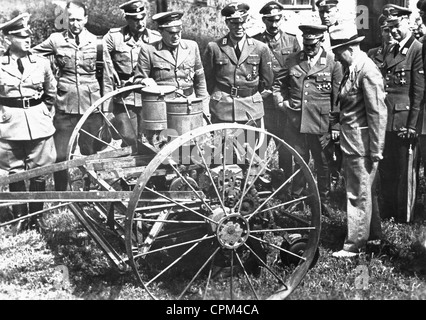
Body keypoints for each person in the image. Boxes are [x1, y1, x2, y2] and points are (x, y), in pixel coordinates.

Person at [31, 1, 104, 191]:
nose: (75, 24)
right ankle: (62, 193)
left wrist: (106, 107)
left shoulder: (97, 43)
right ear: (66, 20)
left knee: (91, 152)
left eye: (79, 20)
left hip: (92, 106)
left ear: (86, 19)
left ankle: (91, 189)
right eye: (71, 19)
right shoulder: (56, 40)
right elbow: (32, 54)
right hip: (64, 106)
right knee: (60, 154)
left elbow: (108, 77)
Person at [329, 23, 387, 258]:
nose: (335, 56)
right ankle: (373, 236)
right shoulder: (354, 67)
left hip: (362, 145)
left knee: (357, 194)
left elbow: (377, 113)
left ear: (350, 48)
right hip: (354, 142)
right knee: (366, 191)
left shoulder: (367, 71)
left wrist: (376, 149)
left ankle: (353, 245)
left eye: (337, 51)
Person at [273, 24, 343, 215]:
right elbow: (278, 85)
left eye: (313, 44)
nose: (309, 47)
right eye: (306, 43)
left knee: (323, 163)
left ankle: (323, 201)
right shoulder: (293, 60)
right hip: (296, 121)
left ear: (321, 41)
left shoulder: (332, 62)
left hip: (320, 122)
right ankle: (297, 198)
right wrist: (281, 103)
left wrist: (335, 124)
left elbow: (337, 97)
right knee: (299, 160)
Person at [0, 13, 57, 231]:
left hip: (38, 122)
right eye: (21, 36)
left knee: (40, 170)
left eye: (29, 36)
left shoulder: (41, 63)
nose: (28, 40)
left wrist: (42, 112)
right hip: (9, 125)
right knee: (15, 172)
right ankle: (20, 217)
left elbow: (50, 92)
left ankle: (37, 216)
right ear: (8, 40)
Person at [378, 4, 424, 222]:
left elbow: (418, 91)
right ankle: (387, 212)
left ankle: (405, 216)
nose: (393, 31)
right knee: (387, 169)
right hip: (387, 119)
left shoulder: (417, 49)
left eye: (396, 26)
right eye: (390, 27)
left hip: (405, 120)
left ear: (407, 22)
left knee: (405, 172)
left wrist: (413, 125)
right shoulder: (392, 49)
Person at [252, 1, 300, 187]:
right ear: (264, 20)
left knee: (285, 144)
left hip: (283, 102)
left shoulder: (291, 40)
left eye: (277, 19)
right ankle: (257, 182)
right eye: (270, 20)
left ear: (282, 19)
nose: (273, 24)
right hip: (262, 102)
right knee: (259, 143)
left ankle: (284, 183)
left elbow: (296, 71)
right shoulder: (254, 40)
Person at [203, 2, 273, 126]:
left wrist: (249, 92)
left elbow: (267, 80)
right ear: (227, 23)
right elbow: (208, 78)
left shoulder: (260, 48)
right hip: (223, 108)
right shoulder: (214, 47)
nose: (239, 27)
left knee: (250, 145)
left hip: (250, 109)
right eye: (234, 23)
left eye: (243, 22)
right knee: (222, 145)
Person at [103, 0, 161, 149]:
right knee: (128, 137)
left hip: (148, 97)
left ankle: (147, 170)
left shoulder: (155, 38)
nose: (140, 22)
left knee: (149, 139)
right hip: (124, 98)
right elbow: (102, 60)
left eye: (143, 17)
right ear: (127, 19)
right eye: (135, 19)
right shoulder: (114, 37)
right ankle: (129, 167)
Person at [133, 11, 208, 111]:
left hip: (189, 104)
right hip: (162, 107)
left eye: (178, 32)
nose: (176, 36)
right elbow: (138, 80)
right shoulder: (149, 50)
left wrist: (204, 110)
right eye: (171, 33)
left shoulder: (192, 47)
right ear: (161, 31)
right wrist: (144, 81)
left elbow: (200, 81)